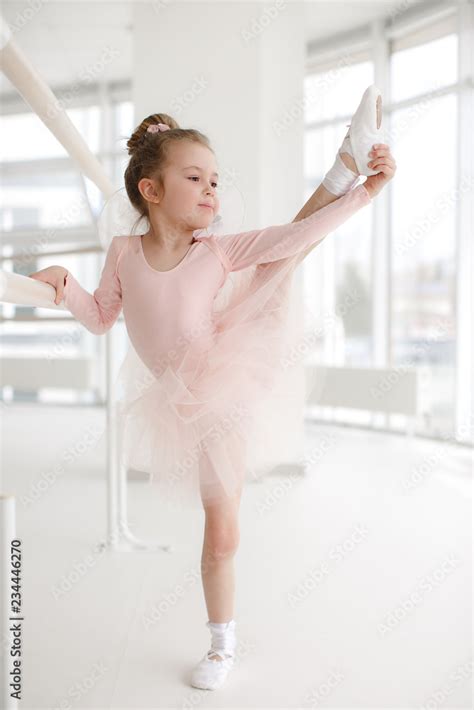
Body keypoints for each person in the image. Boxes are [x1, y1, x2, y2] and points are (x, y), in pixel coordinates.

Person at [28, 85, 396, 690]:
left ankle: (222, 646)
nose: (212, 190)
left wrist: (367, 195)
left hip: (227, 378)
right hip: (177, 399)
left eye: (216, 180)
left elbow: (292, 234)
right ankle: (345, 162)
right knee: (281, 258)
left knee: (285, 254)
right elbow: (100, 318)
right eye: (196, 179)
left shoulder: (217, 252)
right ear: (152, 191)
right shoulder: (123, 252)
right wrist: (63, 282)